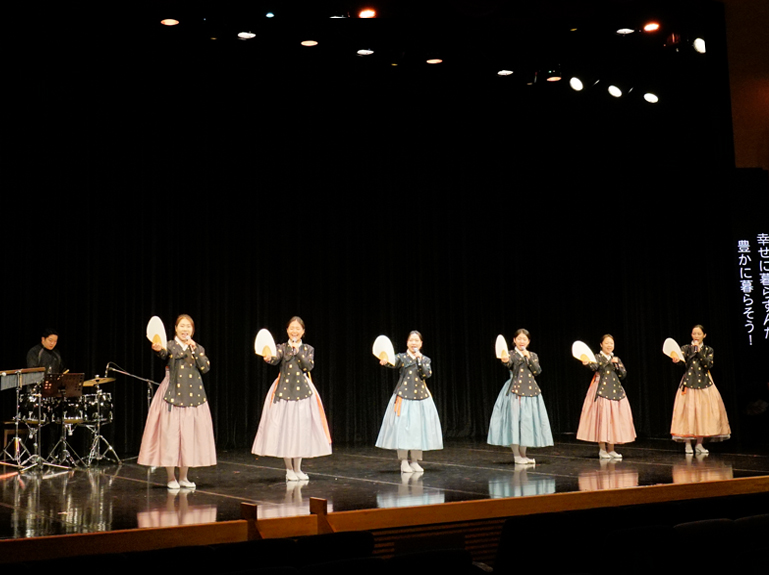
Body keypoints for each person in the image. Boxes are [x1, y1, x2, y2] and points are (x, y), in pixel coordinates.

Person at [138, 314, 217, 489]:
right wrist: (158, 348)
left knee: (188, 438)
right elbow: (163, 353)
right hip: (173, 396)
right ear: (175, 328)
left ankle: (183, 477)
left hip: (193, 397)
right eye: (182, 326)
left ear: (193, 330)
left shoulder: (197, 348)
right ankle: (170, 478)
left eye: (188, 327)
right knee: (171, 437)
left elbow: (205, 367)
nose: (185, 329)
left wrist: (195, 349)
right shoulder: (170, 346)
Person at [252, 316, 331, 481]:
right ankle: (289, 469)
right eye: (292, 328)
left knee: (300, 431)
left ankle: (298, 468)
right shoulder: (281, 347)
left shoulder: (308, 349)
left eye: (298, 328)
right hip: (284, 393)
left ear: (303, 331)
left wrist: (297, 352)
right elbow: (275, 358)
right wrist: (268, 357)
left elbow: (308, 366)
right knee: (286, 431)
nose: (294, 331)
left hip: (303, 392)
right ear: (287, 330)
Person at [376, 331, 443, 473]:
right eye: (411, 340)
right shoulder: (402, 357)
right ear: (407, 342)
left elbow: (427, 374)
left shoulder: (425, 359)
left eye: (416, 340)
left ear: (421, 343)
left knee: (417, 430)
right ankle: (404, 462)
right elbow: (391, 362)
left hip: (421, 398)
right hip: (404, 397)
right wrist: (385, 360)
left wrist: (419, 359)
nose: (414, 343)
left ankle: (415, 461)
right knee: (403, 430)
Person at [487, 328, 553, 465]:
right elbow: (508, 363)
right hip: (515, 391)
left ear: (528, 341)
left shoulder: (532, 355)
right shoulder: (511, 354)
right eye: (519, 339)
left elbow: (537, 371)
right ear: (514, 340)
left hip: (531, 392)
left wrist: (528, 357)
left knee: (527, 424)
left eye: (525, 339)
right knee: (515, 423)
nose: (522, 341)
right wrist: (505, 360)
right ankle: (517, 456)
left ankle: (524, 455)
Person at [670, 325, 730, 454]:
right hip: (689, 383)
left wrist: (699, 352)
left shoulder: (708, 350)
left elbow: (708, 364)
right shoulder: (686, 348)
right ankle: (687, 444)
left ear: (704, 335)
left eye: (698, 334)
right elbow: (682, 362)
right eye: (694, 333)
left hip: (705, 383)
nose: (696, 336)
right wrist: (676, 360)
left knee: (703, 414)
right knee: (688, 414)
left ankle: (699, 444)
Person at [576, 334, 636, 459]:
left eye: (611, 343)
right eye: (607, 343)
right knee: (603, 419)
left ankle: (612, 449)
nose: (609, 345)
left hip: (615, 391)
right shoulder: (598, 357)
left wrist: (617, 365)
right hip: (602, 390)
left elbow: (623, 374)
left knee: (614, 420)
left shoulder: (616, 359)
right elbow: (593, 366)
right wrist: (586, 363)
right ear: (601, 344)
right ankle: (602, 449)